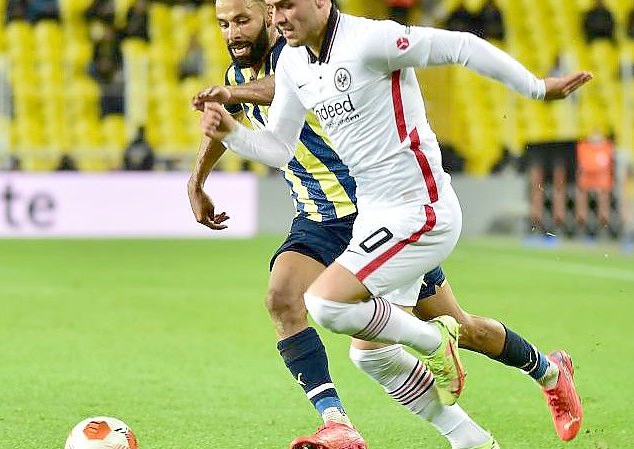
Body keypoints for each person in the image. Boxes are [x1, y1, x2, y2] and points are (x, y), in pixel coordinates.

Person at [192, 0, 588, 446]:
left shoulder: (367, 41)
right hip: (355, 217)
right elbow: (279, 146)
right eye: (227, 23)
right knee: (370, 351)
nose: (275, 19)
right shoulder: (296, 60)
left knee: (336, 307)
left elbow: (459, 45)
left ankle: (447, 346)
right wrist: (228, 135)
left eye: (278, 9)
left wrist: (537, 88)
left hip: (415, 209)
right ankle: (492, 420)